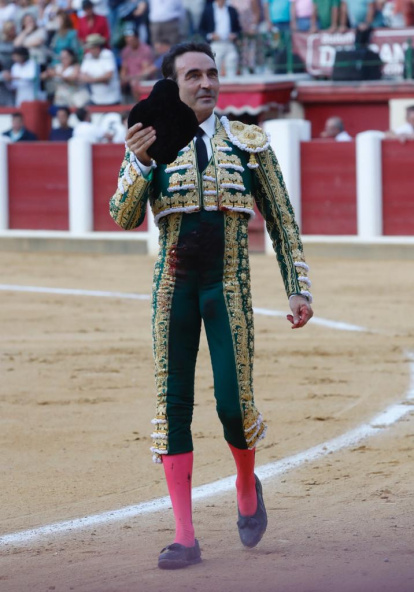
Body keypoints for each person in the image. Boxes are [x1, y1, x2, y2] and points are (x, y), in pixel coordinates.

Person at [109, 42, 313, 570]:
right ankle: (184, 535)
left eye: (212, 74)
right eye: (193, 75)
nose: (206, 83)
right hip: (172, 288)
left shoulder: (249, 143)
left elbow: (283, 220)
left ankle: (246, 484)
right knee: (172, 405)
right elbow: (123, 216)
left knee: (233, 405)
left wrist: (298, 286)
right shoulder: (151, 141)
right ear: (172, 85)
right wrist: (138, 162)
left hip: (228, 288)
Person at [199, 0, 242, 78]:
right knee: (215, 66)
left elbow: (238, 28)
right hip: (216, 44)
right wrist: (211, 35)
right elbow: (201, 29)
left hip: (229, 43)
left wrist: (234, 35)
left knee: (232, 64)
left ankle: (231, 86)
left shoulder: (231, 10)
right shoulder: (208, 10)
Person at [79, 32, 121, 105]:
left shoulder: (107, 54)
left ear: (97, 47)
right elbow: (82, 76)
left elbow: (108, 75)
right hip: (95, 99)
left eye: (91, 48)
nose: (90, 50)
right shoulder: (87, 56)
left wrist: (91, 79)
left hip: (111, 99)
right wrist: (99, 79)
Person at [119, 23, 155, 100]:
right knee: (119, 83)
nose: (130, 42)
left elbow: (145, 72)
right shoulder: (126, 51)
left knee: (135, 83)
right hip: (131, 79)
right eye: (128, 40)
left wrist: (132, 78)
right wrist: (123, 78)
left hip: (144, 79)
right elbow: (124, 69)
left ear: (137, 38)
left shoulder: (145, 50)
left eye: (132, 40)